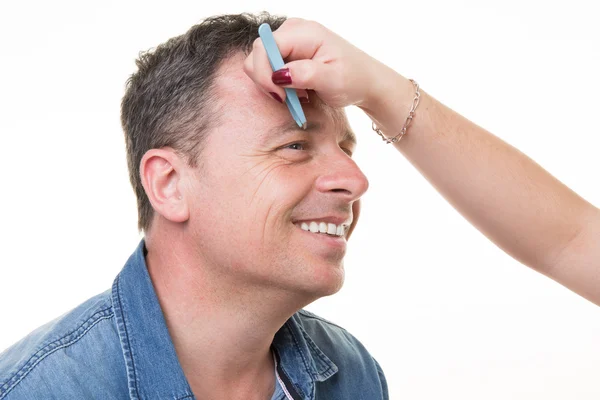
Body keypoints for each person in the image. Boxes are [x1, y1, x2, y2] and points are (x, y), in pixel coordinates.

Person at [1, 10, 598, 400]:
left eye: (346, 145)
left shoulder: (348, 374)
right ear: (169, 184)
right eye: (293, 145)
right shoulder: (42, 390)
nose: (355, 180)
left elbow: (575, 242)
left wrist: (380, 88)